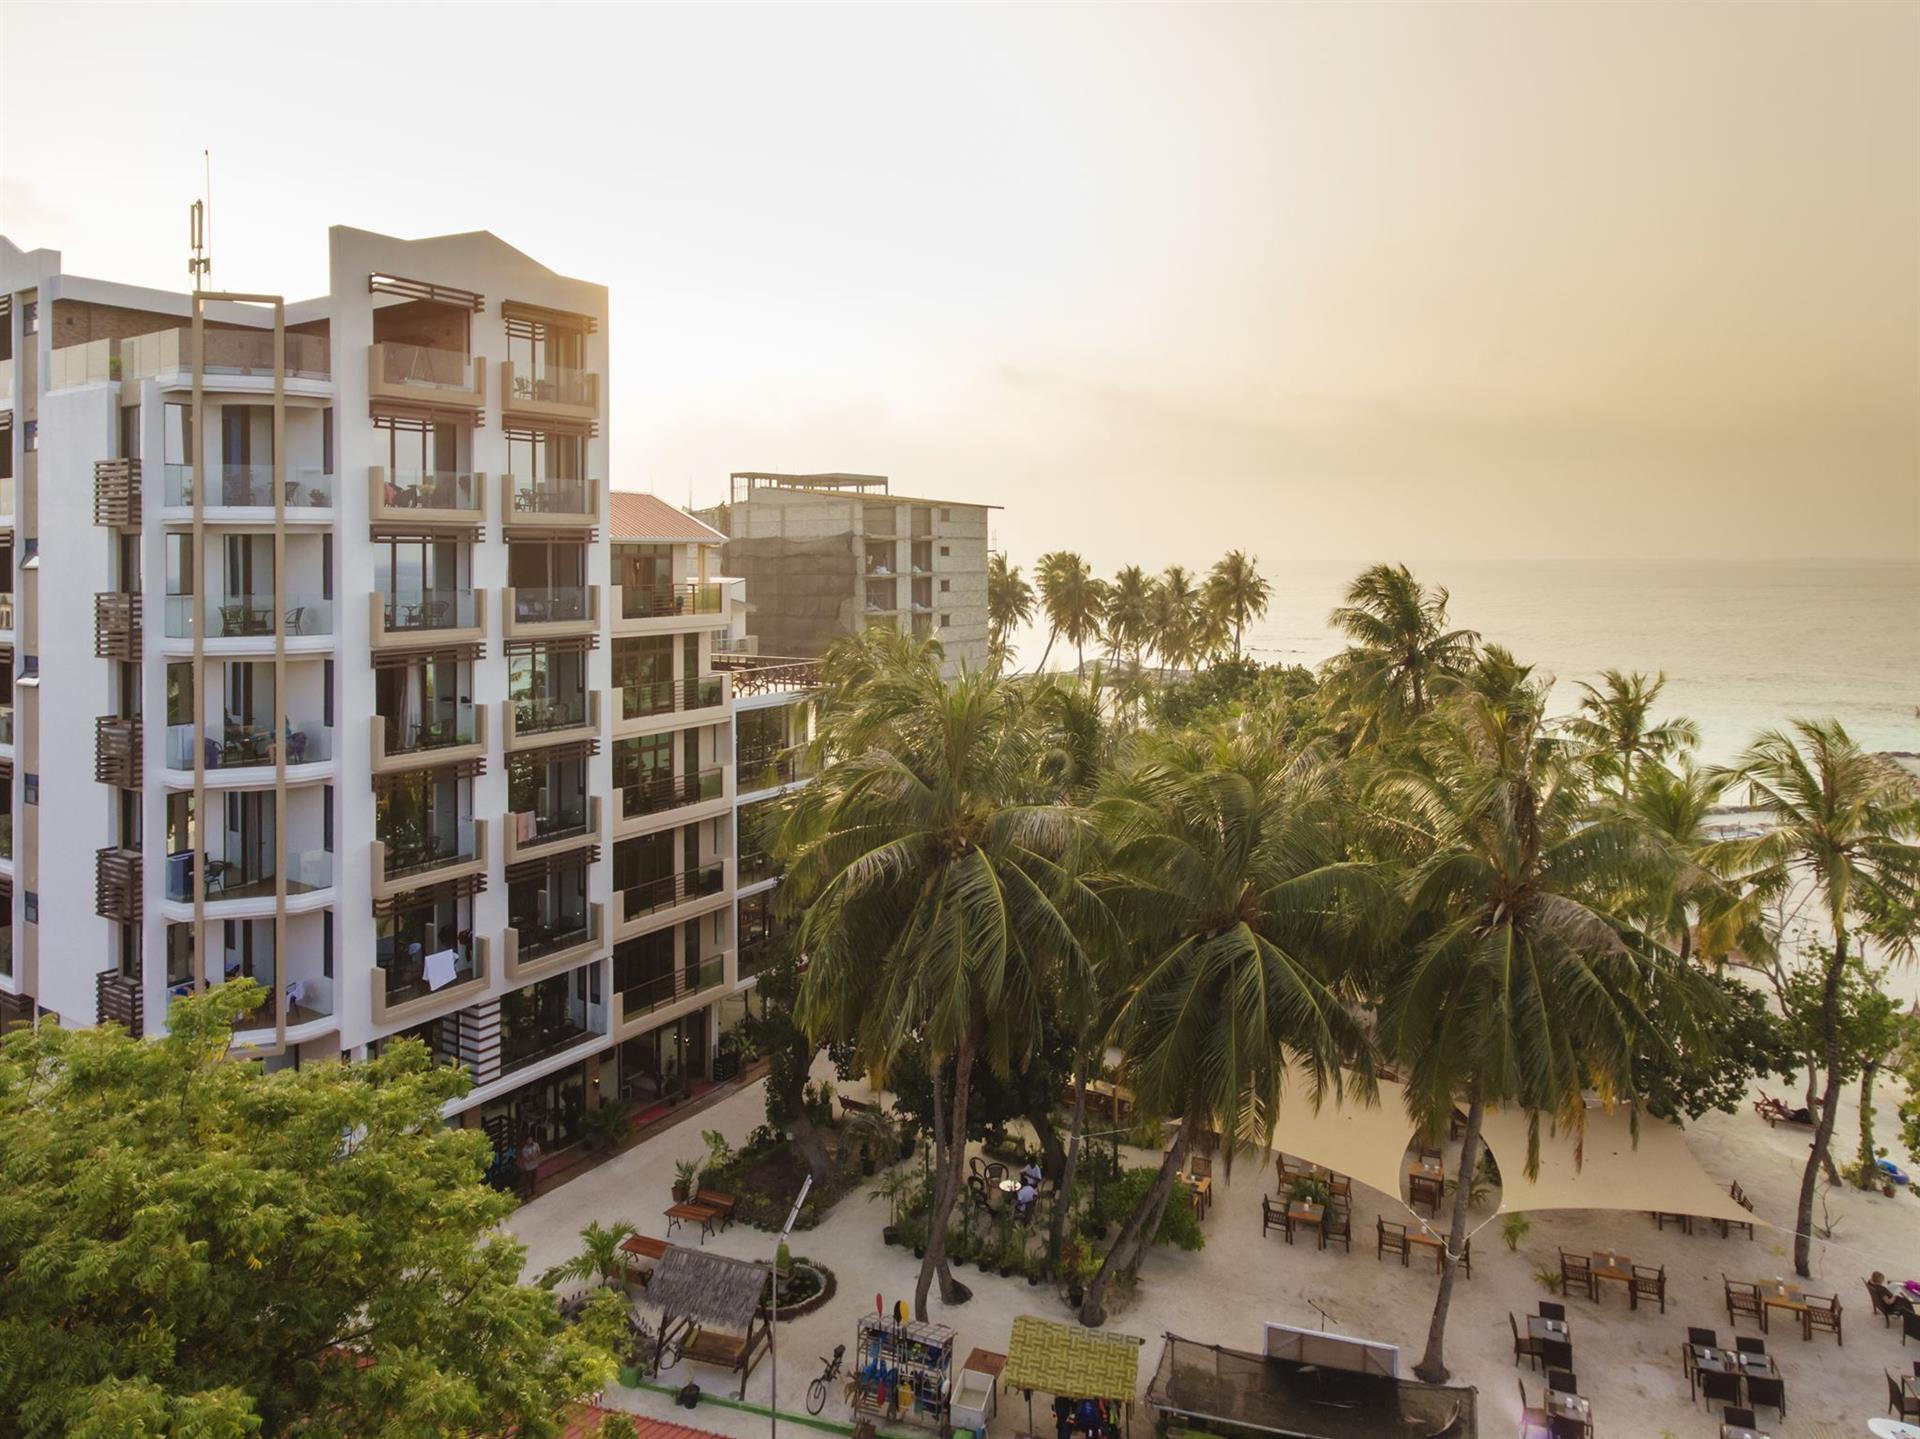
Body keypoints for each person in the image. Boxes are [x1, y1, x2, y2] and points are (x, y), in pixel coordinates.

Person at [517, 1131, 544, 1200]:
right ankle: (526, 1193)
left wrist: (533, 1156)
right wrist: (533, 1156)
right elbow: (528, 1159)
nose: (530, 1141)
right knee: (528, 1180)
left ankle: (533, 1191)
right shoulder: (525, 1149)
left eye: (531, 1139)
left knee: (534, 1178)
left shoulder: (536, 1145)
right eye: (529, 1140)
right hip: (528, 1167)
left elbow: (539, 1153)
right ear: (526, 1141)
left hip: (535, 1165)